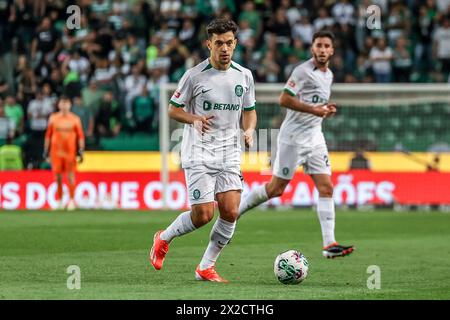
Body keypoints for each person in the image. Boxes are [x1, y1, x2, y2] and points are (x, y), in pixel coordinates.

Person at [150, 19, 257, 282]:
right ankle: (163, 238)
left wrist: (249, 130)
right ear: (208, 43)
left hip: (229, 153)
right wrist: (195, 119)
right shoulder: (194, 75)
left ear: (235, 44)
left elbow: (250, 111)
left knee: (231, 211)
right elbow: (173, 109)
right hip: (198, 153)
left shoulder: (244, 75)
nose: (224, 48)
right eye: (218, 43)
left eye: (229, 43)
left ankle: (206, 267)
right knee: (204, 215)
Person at [238, 30, 354, 259]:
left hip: (315, 138)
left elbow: (316, 103)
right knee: (275, 189)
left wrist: (325, 110)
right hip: (292, 139)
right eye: (318, 45)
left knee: (326, 187)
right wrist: (314, 110)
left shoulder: (328, 75)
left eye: (326, 46)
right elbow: (284, 98)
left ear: (332, 50)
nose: (322, 50)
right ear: (312, 48)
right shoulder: (302, 71)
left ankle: (329, 244)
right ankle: (237, 210)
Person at [44, 96, 85, 210]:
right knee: (58, 177)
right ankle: (60, 200)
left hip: (70, 153)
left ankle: (71, 201)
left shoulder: (75, 119)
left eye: (67, 103)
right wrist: (45, 151)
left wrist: (81, 151)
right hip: (56, 152)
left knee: (71, 176)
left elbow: (80, 137)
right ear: (59, 105)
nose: (64, 105)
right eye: (62, 103)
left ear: (70, 105)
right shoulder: (53, 118)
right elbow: (48, 135)